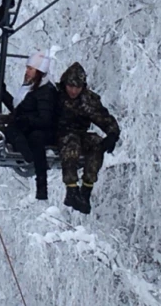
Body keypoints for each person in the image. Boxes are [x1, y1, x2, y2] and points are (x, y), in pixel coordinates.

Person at [56, 62, 120, 214]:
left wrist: (112, 134)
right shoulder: (55, 96)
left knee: (96, 142)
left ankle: (86, 190)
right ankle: (71, 189)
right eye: (70, 86)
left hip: (79, 133)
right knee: (72, 143)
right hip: (57, 134)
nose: (73, 91)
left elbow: (103, 117)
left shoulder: (87, 99)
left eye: (77, 87)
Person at [0, 51, 57, 200]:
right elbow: (21, 110)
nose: (27, 72)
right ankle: (27, 155)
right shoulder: (31, 89)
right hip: (29, 128)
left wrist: (27, 120)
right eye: (27, 68)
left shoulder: (45, 92)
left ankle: (39, 181)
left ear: (39, 72)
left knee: (34, 138)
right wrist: (3, 95)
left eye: (31, 68)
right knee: (10, 130)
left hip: (42, 132)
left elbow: (46, 118)